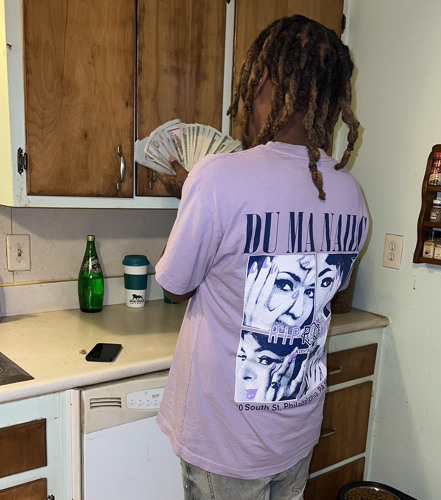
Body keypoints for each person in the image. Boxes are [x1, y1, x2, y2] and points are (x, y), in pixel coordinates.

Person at [154, 14, 369, 500]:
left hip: (225, 443)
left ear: (263, 78)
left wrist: (190, 196)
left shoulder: (218, 177)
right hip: (296, 433)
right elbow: (325, 289)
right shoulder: (351, 194)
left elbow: (174, 286)